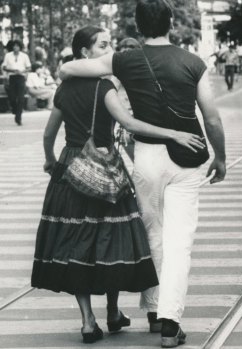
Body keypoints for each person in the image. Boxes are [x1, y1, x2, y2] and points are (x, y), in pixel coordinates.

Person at [60, 1, 227, 347]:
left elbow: (69, 70)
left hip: (147, 155)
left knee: (153, 232)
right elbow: (211, 117)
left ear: (137, 27)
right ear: (170, 24)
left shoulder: (123, 60)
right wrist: (221, 157)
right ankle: (170, 322)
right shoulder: (193, 62)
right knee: (179, 241)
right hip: (187, 157)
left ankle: (153, 309)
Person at [31, 25, 204, 345]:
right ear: (85, 52)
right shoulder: (104, 88)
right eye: (103, 45)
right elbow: (128, 123)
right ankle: (112, 312)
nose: (109, 50)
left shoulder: (64, 89)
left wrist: (50, 161)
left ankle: (87, 321)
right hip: (105, 168)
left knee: (75, 241)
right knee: (110, 239)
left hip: (70, 167)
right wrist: (174, 134)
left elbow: (47, 134)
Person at [2, 40, 31, 125]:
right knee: (12, 97)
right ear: (12, 47)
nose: (15, 47)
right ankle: (14, 109)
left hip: (21, 77)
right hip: (12, 77)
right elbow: (4, 67)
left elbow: (29, 67)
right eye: (14, 46)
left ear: (20, 47)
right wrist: (13, 70)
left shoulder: (24, 56)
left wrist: (22, 71)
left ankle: (18, 118)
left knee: (21, 98)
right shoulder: (8, 55)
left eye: (17, 46)